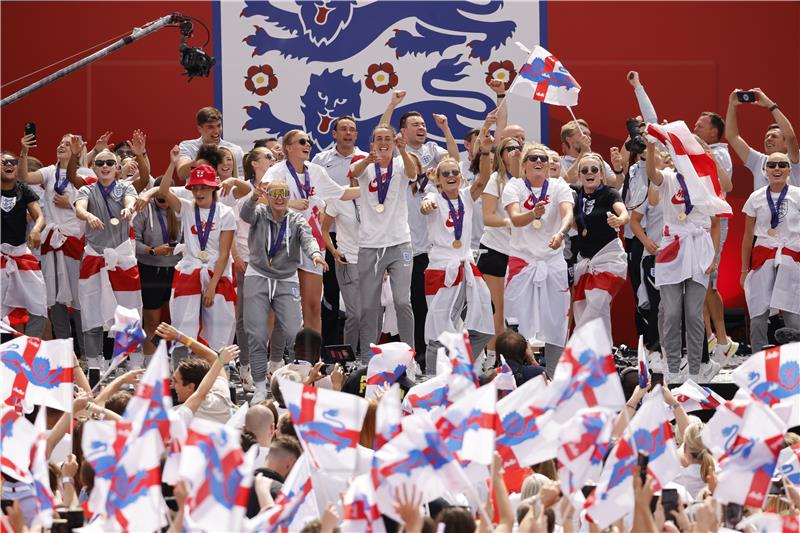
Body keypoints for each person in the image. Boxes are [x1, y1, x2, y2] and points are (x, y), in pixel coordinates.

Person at [380, 91, 459, 358]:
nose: (422, 127)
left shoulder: (432, 150)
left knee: (431, 300)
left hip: (431, 241)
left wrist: (446, 128)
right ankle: (414, 351)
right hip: (405, 237)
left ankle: (433, 351)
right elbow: (382, 130)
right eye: (416, 124)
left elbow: (455, 161)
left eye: (423, 124)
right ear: (402, 131)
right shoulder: (396, 151)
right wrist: (392, 104)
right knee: (410, 300)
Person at [262, 129, 359, 335]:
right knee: (276, 305)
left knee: (313, 305)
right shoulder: (276, 172)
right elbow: (262, 198)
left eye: (309, 142)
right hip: (283, 241)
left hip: (312, 243)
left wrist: (372, 188)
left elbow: (342, 193)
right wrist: (290, 202)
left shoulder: (316, 171)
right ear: (288, 147)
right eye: (302, 141)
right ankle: (274, 360)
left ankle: (311, 358)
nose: (308, 145)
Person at [240, 178, 327, 403]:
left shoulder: (296, 219)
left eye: (284, 193)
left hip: (286, 278)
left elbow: (308, 238)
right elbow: (245, 215)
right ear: (267, 196)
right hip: (258, 274)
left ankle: (294, 383)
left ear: (289, 197)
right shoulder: (259, 212)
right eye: (274, 193)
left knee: (293, 334)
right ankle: (260, 386)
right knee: (257, 333)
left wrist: (316, 254)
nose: (279, 197)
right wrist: (252, 196)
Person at [645, 143, 721, 385]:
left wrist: (712, 256)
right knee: (671, 313)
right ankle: (674, 368)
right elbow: (652, 175)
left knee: (693, 313)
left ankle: (697, 371)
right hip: (672, 246)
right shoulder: (668, 177)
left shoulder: (705, 181)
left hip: (699, 248)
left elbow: (716, 223)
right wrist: (649, 148)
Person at [158, 152, 243, 368]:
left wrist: (212, 286)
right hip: (190, 272)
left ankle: (220, 374)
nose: (198, 192)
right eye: (195, 187)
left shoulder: (225, 213)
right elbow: (163, 191)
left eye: (203, 187)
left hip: (218, 275)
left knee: (220, 325)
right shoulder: (187, 207)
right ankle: (182, 371)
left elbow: (224, 253)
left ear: (214, 187)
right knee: (183, 323)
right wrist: (171, 163)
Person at [420, 137, 493, 375]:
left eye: (455, 172)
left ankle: (460, 366)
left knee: (483, 324)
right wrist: (427, 206)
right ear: (438, 180)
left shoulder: (466, 197)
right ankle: (432, 375)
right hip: (441, 270)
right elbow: (425, 206)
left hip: (467, 268)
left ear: (460, 177)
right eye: (446, 173)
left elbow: (483, 179)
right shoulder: (433, 197)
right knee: (439, 327)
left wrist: (484, 152)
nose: (451, 176)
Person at [502, 144, 575, 376]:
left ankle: (554, 374)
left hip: (552, 260)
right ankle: (517, 372)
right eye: (532, 158)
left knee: (556, 321)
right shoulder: (513, 186)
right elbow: (515, 218)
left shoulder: (559, 186)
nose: (539, 161)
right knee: (516, 321)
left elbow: (568, 214)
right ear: (523, 165)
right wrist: (532, 214)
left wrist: (560, 233)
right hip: (522, 261)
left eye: (543, 158)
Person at [350, 123, 418, 364]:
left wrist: (403, 150)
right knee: (368, 307)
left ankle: (409, 357)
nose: (383, 142)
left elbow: (413, 174)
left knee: (402, 301)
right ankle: (368, 358)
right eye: (378, 138)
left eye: (388, 138)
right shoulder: (364, 164)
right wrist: (369, 160)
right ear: (372, 143)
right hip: (370, 244)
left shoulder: (401, 163)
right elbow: (354, 172)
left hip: (399, 243)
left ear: (394, 141)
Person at [18, 134, 89, 352]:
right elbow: (24, 177)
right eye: (60, 142)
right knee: (55, 303)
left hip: (75, 244)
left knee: (80, 302)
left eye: (67, 144)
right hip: (51, 245)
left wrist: (70, 204)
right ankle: (64, 355)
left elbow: (93, 207)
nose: (61, 145)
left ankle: (89, 356)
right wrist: (23, 152)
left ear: (76, 150)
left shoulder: (86, 174)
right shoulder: (49, 172)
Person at [73, 148, 141, 369]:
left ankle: (133, 366)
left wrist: (129, 209)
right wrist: (89, 215)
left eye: (109, 163)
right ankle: (94, 367)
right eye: (100, 162)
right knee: (92, 316)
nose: (105, 166)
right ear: (93, 166)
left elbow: (131, 200)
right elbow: (79, 209)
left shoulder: (125, 187)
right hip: (94, 259)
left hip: (122, 260)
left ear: (117, 167)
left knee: (129, 317)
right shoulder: (86, 189)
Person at [311, 116, 368, 345]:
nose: (347, 133)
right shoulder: (320, 159)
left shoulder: (365, 159)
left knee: (361, 302)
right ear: (334, 133)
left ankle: (359, 349)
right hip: (329, 234)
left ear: (356, 134)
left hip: (361, 236)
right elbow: (312, 191)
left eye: (352, 130)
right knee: (331, 295)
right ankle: (330, 348)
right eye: (342, 129)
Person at [741, 152, 800, 353]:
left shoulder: (798, 195)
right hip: (763, 258)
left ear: (789, 170)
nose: (777, 168)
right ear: (765, 170)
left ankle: (797, 363)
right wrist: (743, 270)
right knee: (758, 314)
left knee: (793, 314)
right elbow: (748, 237)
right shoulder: (755, 198)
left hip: (791, 259)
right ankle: (757, 361)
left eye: (782, 165)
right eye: (772, 164)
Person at [571, 152, 629, 344]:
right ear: (579, 175)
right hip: (584, 261)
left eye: (594, 170)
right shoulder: (575, 194)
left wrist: (618, 220)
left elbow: (624, 213)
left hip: (608, 259)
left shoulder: (609, 193)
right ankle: (603, 357)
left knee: (597, 302)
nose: (590, 173)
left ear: (602, 174)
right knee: (585, 308)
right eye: (584, 170)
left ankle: (577, 348)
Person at [235, 147, 276, 392]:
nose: (273, 159)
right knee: (245, 316)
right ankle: (245, 366)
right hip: (248, 261)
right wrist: (237, 256)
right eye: (268, 157)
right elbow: (229, 228)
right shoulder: (242, 192)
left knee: (272, 315)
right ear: (255, 164)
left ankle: (269, 364)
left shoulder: (282, 192)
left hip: (273, 263)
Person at [477, 136, 521, 367]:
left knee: (521, 307)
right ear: (502, 155)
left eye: (519, 147)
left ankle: (521, 355)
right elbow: (488, 216)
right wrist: (511, 223)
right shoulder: (496, 179)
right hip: (495, 248)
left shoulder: (530, 180)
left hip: (523, 251)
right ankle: (492, 357)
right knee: (497, 306)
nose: (516, 151)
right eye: (510, 148)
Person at [133, 176, 181, 360]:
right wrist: (152, 251)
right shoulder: (145, 210)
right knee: (152, 319)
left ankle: (172, 358)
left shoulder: (179, 210)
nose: (163, 203)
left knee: (174, 318)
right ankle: (150, 360)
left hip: (175, 269)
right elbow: (133, 242)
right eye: (159, 199)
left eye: (166, 199)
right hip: (150, 269)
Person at [1, 149, 47, 337]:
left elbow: (40, 217)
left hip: (21, 255)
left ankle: (31, 350)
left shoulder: (23, 189)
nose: (9, 165)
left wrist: (36, 230)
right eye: (4, 162)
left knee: (39, 306)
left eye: (13, 162)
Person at [725, 88, 800, 188]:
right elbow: (732, 136)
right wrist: (732, 105)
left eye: (774, 136)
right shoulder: (758, 161)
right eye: (767, 136)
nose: (768, 138)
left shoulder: (794, 160)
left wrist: (770, 105)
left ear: (786, 143)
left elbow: (790, 136)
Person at [177, 106, 245, 181]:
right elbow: (181, 174)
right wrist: (201, 159)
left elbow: (242, 177)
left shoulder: (235, 150)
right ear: (200, 128)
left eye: (219, 126)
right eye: (210, 127)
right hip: (196, 192)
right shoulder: (188, 147)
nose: (216, 131)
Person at [560, 119, 618, 186]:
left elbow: (614, 185)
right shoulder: (558, 162)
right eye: (583, 134)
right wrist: (583, 153)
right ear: (569, 139)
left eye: (589, 135)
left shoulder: (597, 160)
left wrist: (618, 168)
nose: (588, 138)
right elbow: (564, 183)